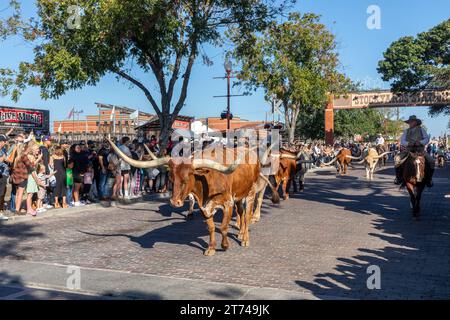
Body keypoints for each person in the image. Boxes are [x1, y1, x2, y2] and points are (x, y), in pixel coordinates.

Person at [394, 115, 434, 186]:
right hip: (409, 150)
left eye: (411, 122)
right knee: (397, 159)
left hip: (420, 150)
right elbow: (402, 140)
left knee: (431, 161)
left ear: (415, 122)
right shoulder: (406, 131)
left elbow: (426, 139)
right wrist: (408, 143)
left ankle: (429, 179)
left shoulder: (421, 129)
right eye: (409, 122)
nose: (410, 123)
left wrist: (420, 142)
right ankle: (398, 177)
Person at [0, 135, 10, 220]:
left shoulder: (2, 150)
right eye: (5, 141)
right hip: (1, 175)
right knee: (1, 194)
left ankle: (1, 211)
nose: (6, 143)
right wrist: (3, 159)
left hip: (4, 174)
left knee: (2, 194)